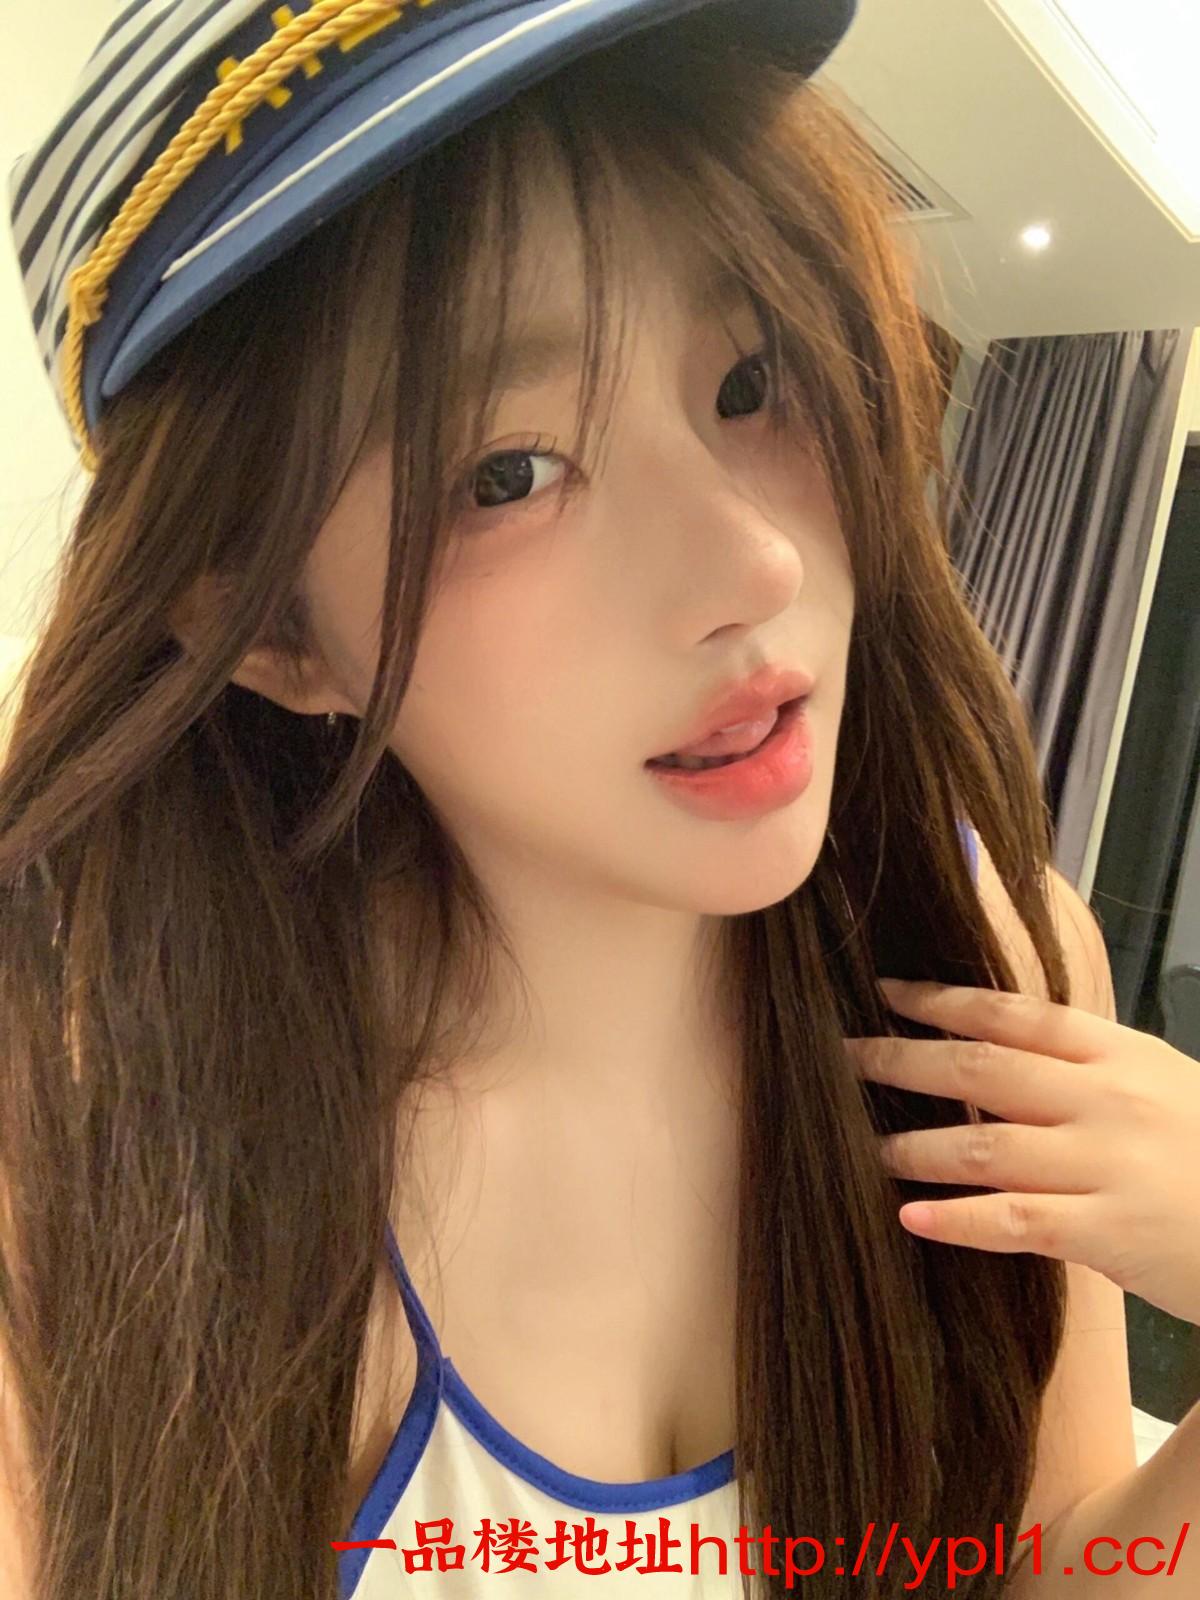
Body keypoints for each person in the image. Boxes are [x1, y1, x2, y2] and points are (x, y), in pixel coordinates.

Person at [7, 2, 1197, 1599]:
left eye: (753, 381)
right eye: (508, 472)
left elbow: (1035, 1566)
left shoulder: (988, 957)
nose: (753, 564)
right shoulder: (99, 1123)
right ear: (274, 631)